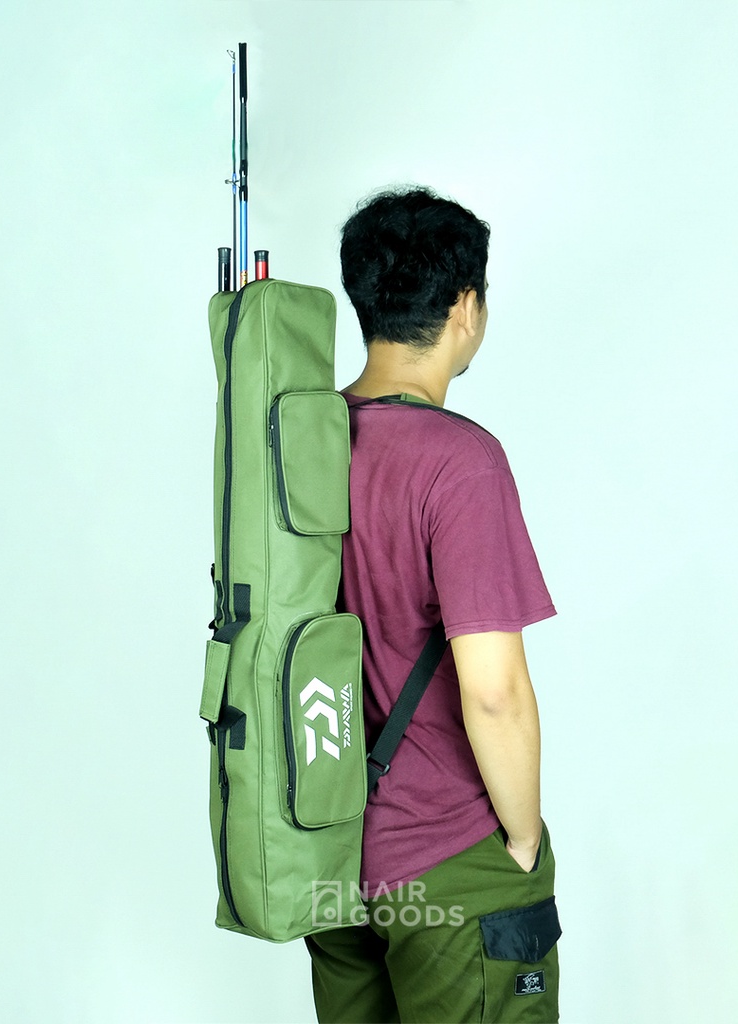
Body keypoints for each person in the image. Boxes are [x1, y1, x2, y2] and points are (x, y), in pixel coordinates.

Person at [304, 186, 560, 1023]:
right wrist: (521, 839)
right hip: (449, 858)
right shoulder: (459, 462)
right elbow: (494, 690)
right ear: (465, 307)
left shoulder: (301, 443)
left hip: (330, 856)